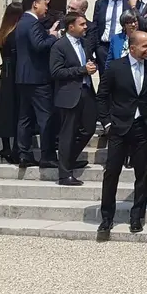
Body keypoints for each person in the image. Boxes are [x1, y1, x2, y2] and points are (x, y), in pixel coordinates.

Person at [96, 30, 147, 240]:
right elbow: (102, 97)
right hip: (118, 127)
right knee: (111, 173)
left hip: (144, 127)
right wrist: (107, 123)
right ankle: (106, 218)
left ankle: (137, 217)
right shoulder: (115, 68)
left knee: (142, 175)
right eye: (145, 46)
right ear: (132, 48)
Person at [49, 12, 98, 186]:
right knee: (67, 134)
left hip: (86, 91)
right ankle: (64, 174)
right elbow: (56, 72)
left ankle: (69, 159)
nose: (86, 27)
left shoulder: (84, 43)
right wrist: (82, 70)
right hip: (68, 94)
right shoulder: (59, 46)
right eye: (82, 24)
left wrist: (92, 66)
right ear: (71, 27)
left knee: (89, 128)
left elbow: (87, 61)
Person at [14, 0, 60, 169]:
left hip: (23, 77)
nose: (46, 7)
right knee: (45, 117)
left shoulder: (21, 22)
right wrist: (52, 37)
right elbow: (39, 46)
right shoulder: (33, 22)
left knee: (25, 118)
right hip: (37, 78)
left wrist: (45, 33)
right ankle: (47, 155)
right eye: (44, 4)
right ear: (35, 4)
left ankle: (24, 154)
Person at [0, 3, 22, 164]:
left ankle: (6, 146)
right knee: (18, 109)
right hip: (15, 73)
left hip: (5, 72)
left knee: (5, 110)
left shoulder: (3, 32)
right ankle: (16, 148)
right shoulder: (16, 33)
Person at [88, 0, 131, 74]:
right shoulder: (100, 3)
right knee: (105, 78)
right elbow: (96, 26)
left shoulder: (130, 1)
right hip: (103, 47)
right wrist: (97, 47)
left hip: (123, 44)